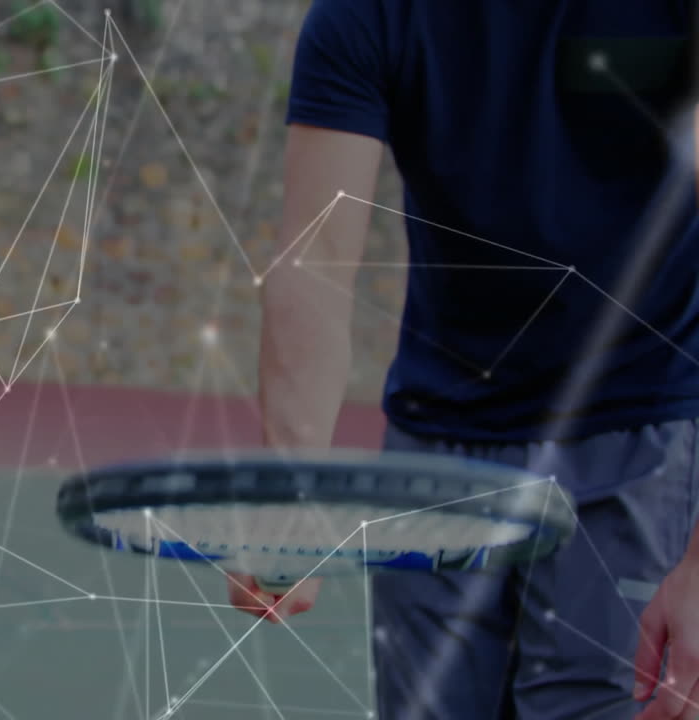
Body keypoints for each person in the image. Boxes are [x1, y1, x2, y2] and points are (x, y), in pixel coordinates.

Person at [228, 2, 699, 718]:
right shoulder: (367, 15)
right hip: (439, 456)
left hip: (639, 438)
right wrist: (293, 489)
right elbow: (314, 260)